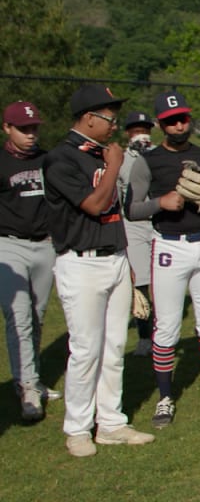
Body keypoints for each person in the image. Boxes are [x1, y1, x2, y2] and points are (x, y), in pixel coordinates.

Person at [44, 84, 155, 457]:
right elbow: (93, 204)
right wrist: (113, 166)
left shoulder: (104, 152)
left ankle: (110, 422)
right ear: (88, 118)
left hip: (114, 255)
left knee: (114, 347)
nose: (114, 124)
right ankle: (77, 427)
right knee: (86, 348)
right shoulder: (62, 158)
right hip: (81, 260)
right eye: (108, 116)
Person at [127, 91, 200, 429]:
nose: (179, 124)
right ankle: (165, 398)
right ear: (162, 124)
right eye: (172, 120)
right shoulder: (147, 161)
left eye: (184, 118)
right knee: (167, 327)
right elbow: (131, 209)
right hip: (169, 246)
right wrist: (160, 203)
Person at [1, 101, 58, 421]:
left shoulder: (46, 160)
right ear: (7, 128)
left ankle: (31, 378)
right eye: (23, 129)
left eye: (34, 127)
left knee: (36, 316)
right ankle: (27, 386)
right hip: (8, 245)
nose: (31, 134)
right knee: (19, 315)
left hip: (44, 245)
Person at [117, 111, 156, 356]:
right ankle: (144, 336)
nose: (140, 133)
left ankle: (162, 330)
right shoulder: (120, 159)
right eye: (135, 129)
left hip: (160, 220)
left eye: (144, 128)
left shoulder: (158, 155)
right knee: (140, 280)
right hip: (133, 222)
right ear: (128, 133)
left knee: (164, 277)